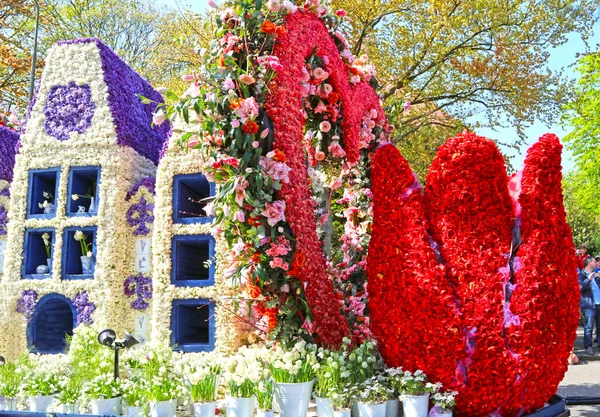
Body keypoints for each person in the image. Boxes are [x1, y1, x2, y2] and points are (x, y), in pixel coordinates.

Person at [578, 257, 600, 355]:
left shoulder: (597, 274)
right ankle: (588, 347)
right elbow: (580, 288)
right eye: (595, 262)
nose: (597, 263)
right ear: (589, 263)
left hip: (598, 303)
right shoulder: (581, 275)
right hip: (589, 305)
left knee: (599, 327)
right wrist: (588, 279)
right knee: (589, 327)